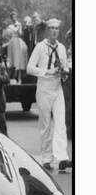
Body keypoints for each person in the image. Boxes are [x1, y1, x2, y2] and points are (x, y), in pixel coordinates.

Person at [27, 18, 71, 171]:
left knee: (60, 123)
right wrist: (46, 71)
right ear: (47, 30)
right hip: (44, 88)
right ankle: (46, 157)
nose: (54, 31)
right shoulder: (40, 47)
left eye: (56, 29)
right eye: (51, 28)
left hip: (57, 88)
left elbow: (64, 66)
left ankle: (62, 157)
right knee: (45, 124)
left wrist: (64, 71)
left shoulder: (62, 48)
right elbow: (30, 68)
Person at [2, 11, 28, 84]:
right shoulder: (9, 27)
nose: (13, 18)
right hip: (12, 42)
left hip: (18, 41)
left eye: (15, 17)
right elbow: (6, 35)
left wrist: (18, 28)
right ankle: (13, 77)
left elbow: (21, 34)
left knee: (19, 60)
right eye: (12, 17)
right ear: (11, 18)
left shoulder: (19, 24)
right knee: (12, 61)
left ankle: (20, 78)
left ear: (16, 17)